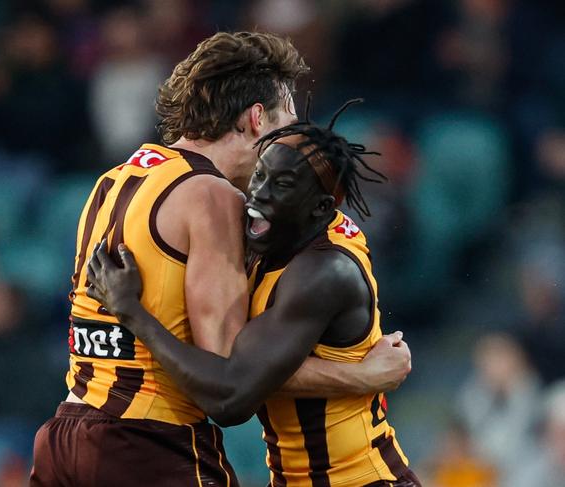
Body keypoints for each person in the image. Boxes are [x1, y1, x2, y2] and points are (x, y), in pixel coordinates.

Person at [31, 32, 411, 487]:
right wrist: (360, 374)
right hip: (145, 439)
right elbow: (233, 381)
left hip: (63, 434)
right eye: (287, 117)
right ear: (256, 119)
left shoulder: (115, 178)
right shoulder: (214, 198)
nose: (293, 133)